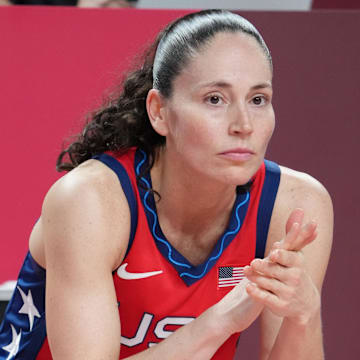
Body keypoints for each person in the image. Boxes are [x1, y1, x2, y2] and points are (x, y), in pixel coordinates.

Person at [0, 9, 333, 360]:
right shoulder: (89, 201)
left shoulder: (296, 204)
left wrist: (303, 314)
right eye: (215, 99)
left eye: (258, 99)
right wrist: (219, 321)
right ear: (159, 112)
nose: (244, 124)